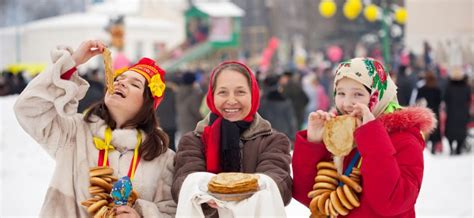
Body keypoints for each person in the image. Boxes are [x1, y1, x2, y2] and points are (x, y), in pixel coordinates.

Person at [14, 40, 176, 217]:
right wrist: (72, 62)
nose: (121, 83)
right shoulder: (75, 133)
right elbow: (28, 108)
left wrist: (141, 214)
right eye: (119, 79)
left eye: (135, 84)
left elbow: (172, 212)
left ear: (148, 104)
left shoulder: (163, 158)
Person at [292, 58, 436, 217]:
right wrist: (314, 143)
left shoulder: (405, 139)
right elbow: (309, 196)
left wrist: (371, 135)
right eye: (341, 93)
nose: (347, 103)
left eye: (358, 94)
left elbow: (391, 203)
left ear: (378, 95)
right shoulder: (338, 134)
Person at [172, 61, 292, 217]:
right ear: (212, 96)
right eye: (223, 92)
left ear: (253, 95)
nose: (231, 100)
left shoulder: (272, 140)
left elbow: (280, 184)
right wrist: (205, 198)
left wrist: (240, 194)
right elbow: (182, 183)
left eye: (240, 92)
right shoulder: (194, 140)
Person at [444, 68, 471, 155]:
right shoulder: (466, 87)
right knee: (461, 132)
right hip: (463, 113)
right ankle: (458, 149)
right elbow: (468, 99)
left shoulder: (449, 87)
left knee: (450, 132)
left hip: (451, 113)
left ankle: (452, 148)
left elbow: (445, 99)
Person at [416, 70, 442, 154]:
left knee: (426, 131)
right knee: (434, 131)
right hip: (435, 113)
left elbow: (418, 100)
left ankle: (426, 148)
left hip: (425, 113)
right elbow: (439, 101)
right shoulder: (437, 89)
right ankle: (433, 149)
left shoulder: (422, 89)